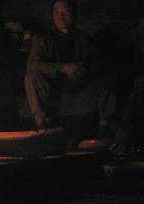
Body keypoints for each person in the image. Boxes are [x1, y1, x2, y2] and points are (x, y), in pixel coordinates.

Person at [24, 0, 97, 144]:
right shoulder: (43, 39)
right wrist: (62, 68)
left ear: (73, 15)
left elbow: (93, 64)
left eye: (65, 12)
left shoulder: (84, 40)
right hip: (51, 84)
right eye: (56, 13)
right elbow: (32, 64)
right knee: (32, 77)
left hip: (77, 83)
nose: (60, 17)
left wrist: (80, 70)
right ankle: (42, 122)